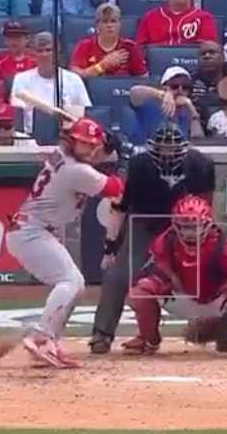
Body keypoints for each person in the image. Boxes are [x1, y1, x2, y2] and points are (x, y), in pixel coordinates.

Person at [7, 117, 124, 368]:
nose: (90, 149)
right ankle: (41, 336)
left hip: (36, 230)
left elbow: (93, 163)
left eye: (92, 144)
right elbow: (116, 187)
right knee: (71, 281)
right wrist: (120, 157)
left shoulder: (64, 155)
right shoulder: (77, 171)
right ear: (72, 142)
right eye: (83, 144)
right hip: (31, 232)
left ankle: (49, 343)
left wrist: (105, 150)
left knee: (75, 287)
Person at [89, 124, 214, 354]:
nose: (168, 153)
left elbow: (209, 205)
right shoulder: (139, 165)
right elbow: (120, 207)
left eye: (173, 148)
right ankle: (102, 334)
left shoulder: (200, 164)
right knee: (119, 275)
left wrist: (209, 237)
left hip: (188, 225)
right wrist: (110, 246)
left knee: (214, 270)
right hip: (145, 223)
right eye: (163, 148)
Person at [123, 195, 227, 356]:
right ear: (175, 226)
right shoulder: (164, 243)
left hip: (218, 301)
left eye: (195, 227)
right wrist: (168, 280)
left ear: (208, 224)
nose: (189, 233)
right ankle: (148, 339)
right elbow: (155, 273)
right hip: (182, 297)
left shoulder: (226, 249)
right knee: (140, 292)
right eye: (184, 227)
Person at [9, 32, 90, 134]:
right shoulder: (21, 79)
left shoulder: (74, 80)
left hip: (66, 136)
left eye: (48, 50)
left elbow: (84, 115)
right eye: (40, 51)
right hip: (30, 137)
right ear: (34, 54)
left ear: (57, 52)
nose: (44, 54)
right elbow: (17, 118)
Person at [71, 2, 147, 78]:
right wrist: (103, 65)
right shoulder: (84, 46)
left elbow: (143, 77)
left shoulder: (130, 47)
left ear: (119, 24)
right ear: (97, 25)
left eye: (113, 21)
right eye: (105, 21)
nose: (109, 25)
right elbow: (75, 76)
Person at [127, 65, 199, 143]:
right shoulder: (149, 104)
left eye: (185, 87)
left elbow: (198, 140)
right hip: (146, 151)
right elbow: (134, 92)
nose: (180, 90)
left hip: (177, 152)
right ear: (163, 86)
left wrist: (191, 110)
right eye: (174, 86)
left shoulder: (186, 111)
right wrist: (163, 95)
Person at [0, 19, 36, 87]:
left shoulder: (36, 59)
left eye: (18, 37)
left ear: (27, 39)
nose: (14, 41)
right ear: (5, 40)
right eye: (10, 37)